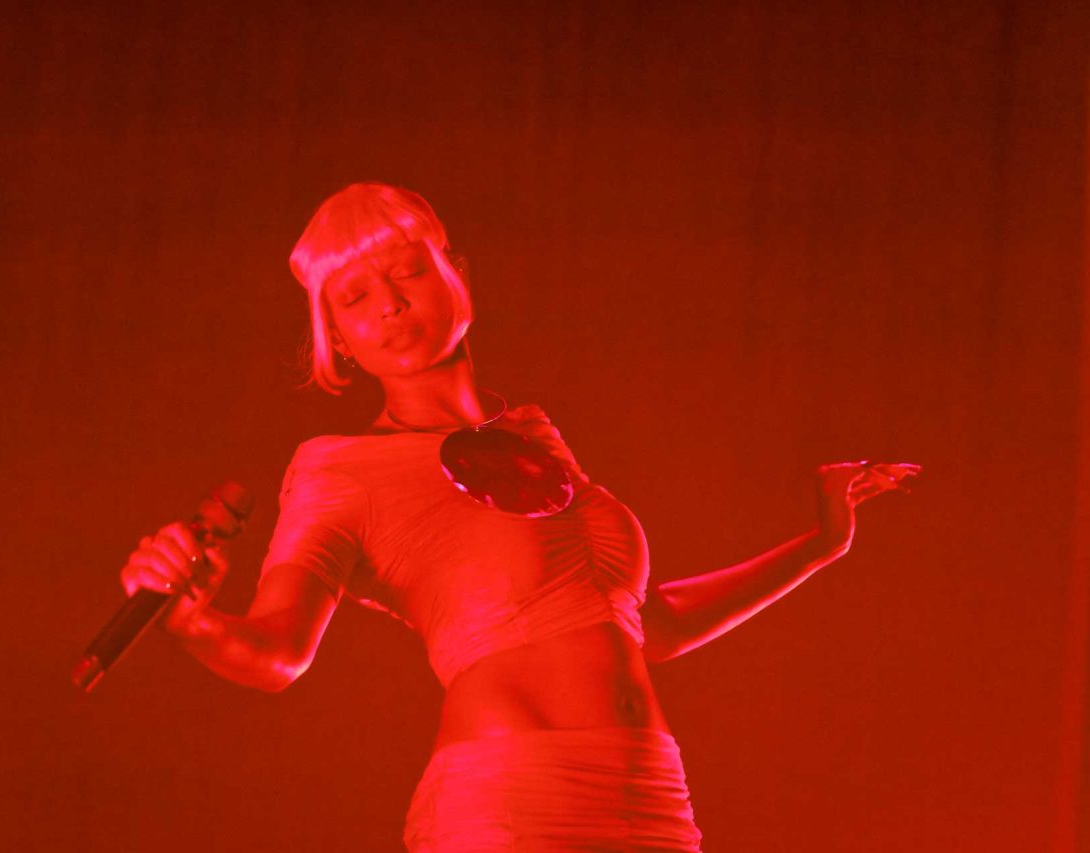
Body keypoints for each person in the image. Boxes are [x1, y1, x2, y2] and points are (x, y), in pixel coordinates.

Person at [120, 182, 920, 851]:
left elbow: (648, 624)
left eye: (407, 272)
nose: (391, 304)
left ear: (457, 273)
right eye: (356, 298)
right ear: (342, 342)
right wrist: (191, 619)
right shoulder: (338, 468)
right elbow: (276, 652)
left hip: (648, 790)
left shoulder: (533, 435)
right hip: (510, 801)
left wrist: (821, 543)